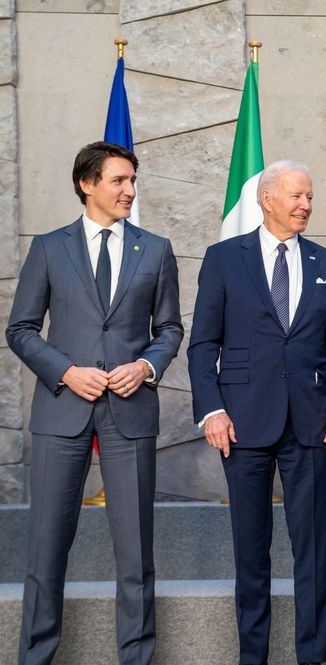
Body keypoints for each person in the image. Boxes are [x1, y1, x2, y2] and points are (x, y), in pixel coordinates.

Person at [6, 141, 183, 665]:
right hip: (62, 412)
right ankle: (35, 657)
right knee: (45, 550)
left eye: (133, 181)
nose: (130, 190)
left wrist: (145, 366)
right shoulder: (49, 248)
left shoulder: (155, 249)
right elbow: (20, 329)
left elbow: (170, 328)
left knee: (135, 556)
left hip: (131, 413)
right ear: (88, 184)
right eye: (119, 181)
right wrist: (64, 370)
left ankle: (136, 657)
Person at [187, 161, 326, 665]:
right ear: (266, 199)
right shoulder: (223, 260)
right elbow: (202, 346)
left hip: (311, 425)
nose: (306, 204)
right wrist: (212, 410)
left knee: (312, 555)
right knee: (251, 554)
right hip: (241, 424)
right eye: (296, 196)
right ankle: (252, 657)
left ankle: (312, 657)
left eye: (309, 196)